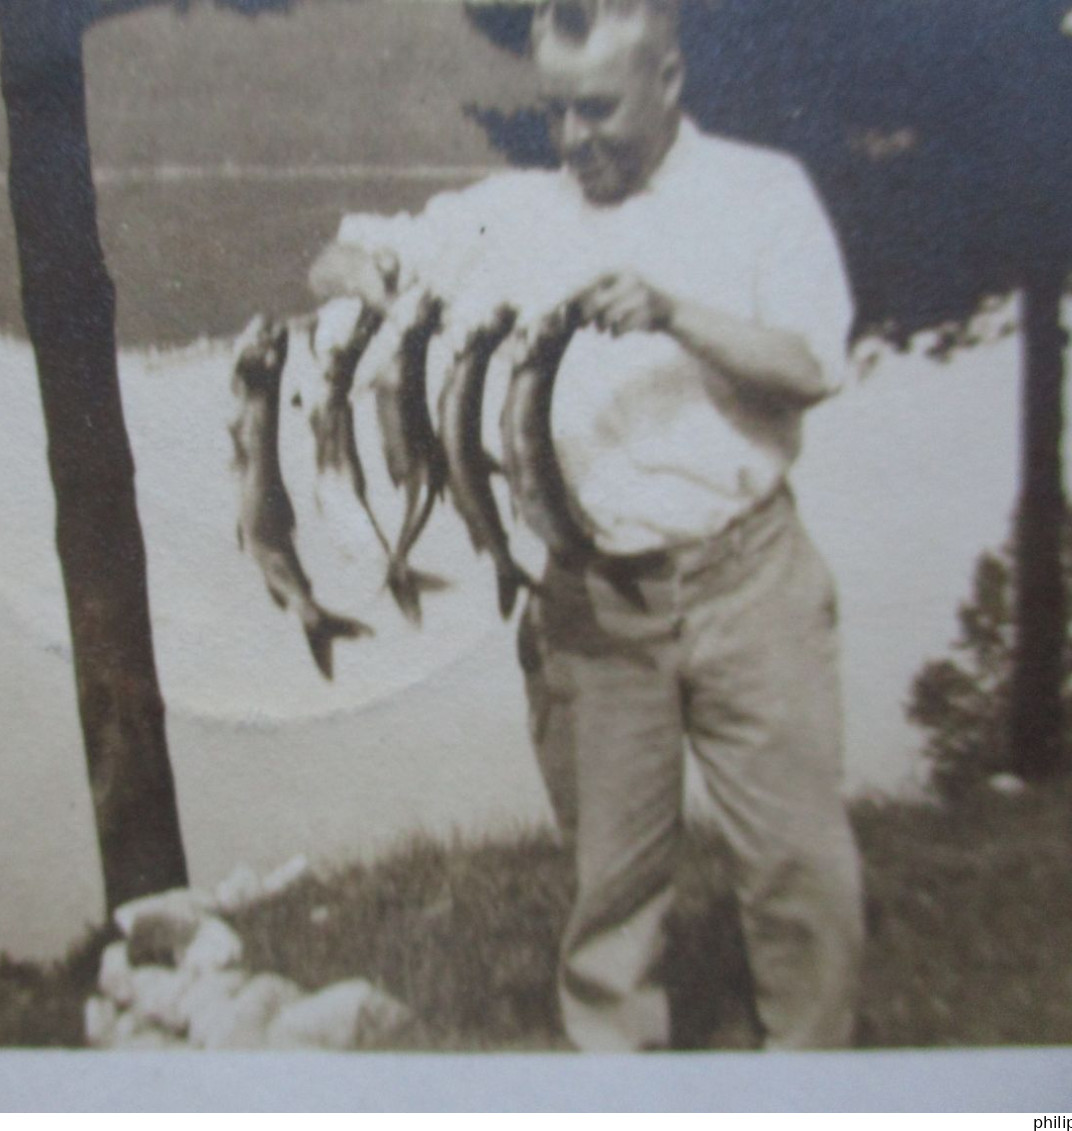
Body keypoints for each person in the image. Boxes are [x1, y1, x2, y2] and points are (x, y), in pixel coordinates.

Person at [308, 0, 863, 1051]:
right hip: (589, 604)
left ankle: (815, 1085)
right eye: (556, 113)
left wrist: (671, 312)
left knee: (798, 871)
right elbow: (342, 255)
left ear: (667, 81)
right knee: (609, 894)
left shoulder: (759, 194)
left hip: (747, 584)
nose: (573, 141)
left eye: (597, 110)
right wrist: (354, 276)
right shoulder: (515, 216)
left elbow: (808, 366)